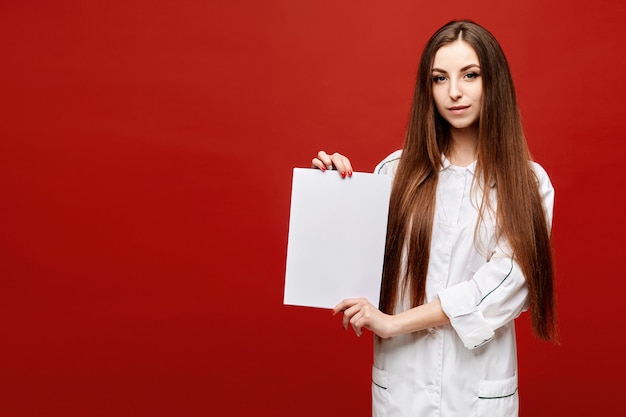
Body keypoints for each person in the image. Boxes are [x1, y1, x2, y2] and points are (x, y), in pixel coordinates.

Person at [311, 20, 557, 417]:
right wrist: (334, 193)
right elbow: (359, 271)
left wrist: (394, 324)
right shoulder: (393, 174)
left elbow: (500, 288)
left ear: (494, 82)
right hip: (402, 388)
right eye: (439, 78)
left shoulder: (528, 183)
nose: (454, 92)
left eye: (470, 75)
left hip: (477, 392)